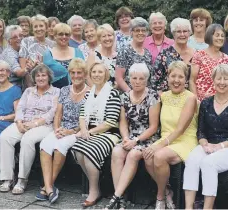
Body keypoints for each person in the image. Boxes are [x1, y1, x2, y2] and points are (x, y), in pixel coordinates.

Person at [183, 64, 228, 209]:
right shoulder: (206, 103)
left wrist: (219, 146)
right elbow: (200, 130)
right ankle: (188, 207)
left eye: (226, 79)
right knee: (192, 159)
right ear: (213, 80)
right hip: (209, 144)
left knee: (208, 163)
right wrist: (204, 142)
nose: (222, 82)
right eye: (219, 78)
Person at [104, 63, 161, 209]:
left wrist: (135, 140)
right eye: (134, 78)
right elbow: (123, 123)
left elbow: (154, 126)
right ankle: (121, 198)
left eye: (141, 78)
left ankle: (115, 196)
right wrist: (125, 138)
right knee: (116, 152)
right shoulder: (124, 97)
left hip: (147, 138)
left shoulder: (153, 96)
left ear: (146, 80)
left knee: (133, 155)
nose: (137, 81)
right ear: (129, 79)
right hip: (130, 137)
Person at [0, 64, 59, 194]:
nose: (40, 78)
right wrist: (19, 122)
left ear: (49, 77)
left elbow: (53, 113)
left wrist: (35, 124)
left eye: (43, 75)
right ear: (34, 78)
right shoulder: (28, 91)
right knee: (4, 137)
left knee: (27, 140)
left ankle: (22, 179)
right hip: (24, 122)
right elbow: (20, 108)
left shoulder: (56, 92)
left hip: (44, 125)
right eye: (38, 76)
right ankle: (7, 178)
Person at [144, 61, 198, 209]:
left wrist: (159, 145)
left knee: (159, 156)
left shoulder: (190, 98)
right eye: (173, 76)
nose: (176, 80)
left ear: (186, 80)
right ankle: (168, 191)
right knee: (147, 155)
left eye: (180, 77)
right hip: (166, 138)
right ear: (167, 78)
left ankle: (160, 196)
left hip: (185, 140)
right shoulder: (163, 96)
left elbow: (180, 129)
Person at [37, 58, 90, 203]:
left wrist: (71, 131)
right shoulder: (65, 90)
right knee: (45, 145)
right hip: (61, 128)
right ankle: (49, 188)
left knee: (60, 147)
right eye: (73, 72)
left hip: (77, 131)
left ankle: (46, 186)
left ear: (85, 74)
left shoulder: (90, 93)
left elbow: (86, 119)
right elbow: (58, 114)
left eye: (79, 72)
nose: (76, 76)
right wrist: (57, 129)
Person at [70, 62, 122, 207]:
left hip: (108, 133)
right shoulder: (89, 93)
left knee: (88, 151)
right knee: (77, 149)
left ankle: (94, 191)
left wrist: (90, 132)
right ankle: (98, 185)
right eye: (94, 72)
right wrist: (84, 130)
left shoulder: (112, 93)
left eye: (100, 72)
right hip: (89, 132)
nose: (97, 75)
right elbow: (82, 116)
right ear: (90, 74)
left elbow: (110, 122)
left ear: (106, 75)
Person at [152, 18, 195, 92]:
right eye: (178, 31)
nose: (182, 34)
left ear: (189, 33)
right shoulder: (164, 54)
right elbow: (155, 81)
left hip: (190, 99)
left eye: (185, 31)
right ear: (173, 33)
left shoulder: (196, 54)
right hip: (168, 98)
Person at [190, 24, 228, 101]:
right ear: (210, 36)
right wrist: (195, 100)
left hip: (219, 101)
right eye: (217, 35)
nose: (220, 38)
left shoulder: (226, 58)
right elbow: (192, 80)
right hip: (201, 101)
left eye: (222, 36)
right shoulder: (199, 55)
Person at [42, 23, 85, 88]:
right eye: (61, 34)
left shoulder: (78, 52)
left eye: (67, 34)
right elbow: (44, 76)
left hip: (77, 91)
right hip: (54, 93)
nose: (64, 37)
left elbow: (84, 72)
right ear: (55, 36)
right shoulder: (48, 54)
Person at [115, 17, 152, 92]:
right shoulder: (124, 51)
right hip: (129, 96)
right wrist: (130, 93)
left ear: (147, 33)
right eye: (137, 30)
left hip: (145, 96)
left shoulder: (148, 53)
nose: (140, 33)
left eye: (143, 30)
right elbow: (119, 78)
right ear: (131, 32)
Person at [19, 14, 55, 84]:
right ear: (32, 29)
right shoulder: (26, 41)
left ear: (46, 28)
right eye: (35, 26)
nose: (38, 29)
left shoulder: (53, 44)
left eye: (41, 26)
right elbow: (23, 67)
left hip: (49, 81)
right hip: (30, 80)